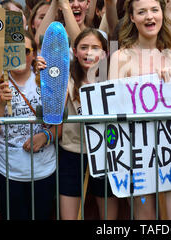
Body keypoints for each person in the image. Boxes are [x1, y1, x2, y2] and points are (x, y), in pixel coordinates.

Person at [108, 0, 171, 220]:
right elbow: (114, 102)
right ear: (132, 18)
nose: (149, 16)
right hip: (136, 151)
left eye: (154, 10)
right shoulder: (120, 56)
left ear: (162, 13)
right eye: (142, 12)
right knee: (145, 217)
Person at [37, 27, 118, 220]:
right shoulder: (66, 78)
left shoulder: (112, 77)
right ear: (74, 51)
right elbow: (53, 106)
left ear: (105, 53)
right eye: (83, 47)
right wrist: (45, 76)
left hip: (105, 154)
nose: (89, 52)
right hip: (72, 154)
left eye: (95, 48)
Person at [0, 31, 56, 220]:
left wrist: (46, 136)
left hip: (44, 169)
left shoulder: (46, 80)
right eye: (11, 50)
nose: (17, 55)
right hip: (7, 170)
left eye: (24, 50)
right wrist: (1, 103)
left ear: (33, 54)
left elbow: (61, 122)